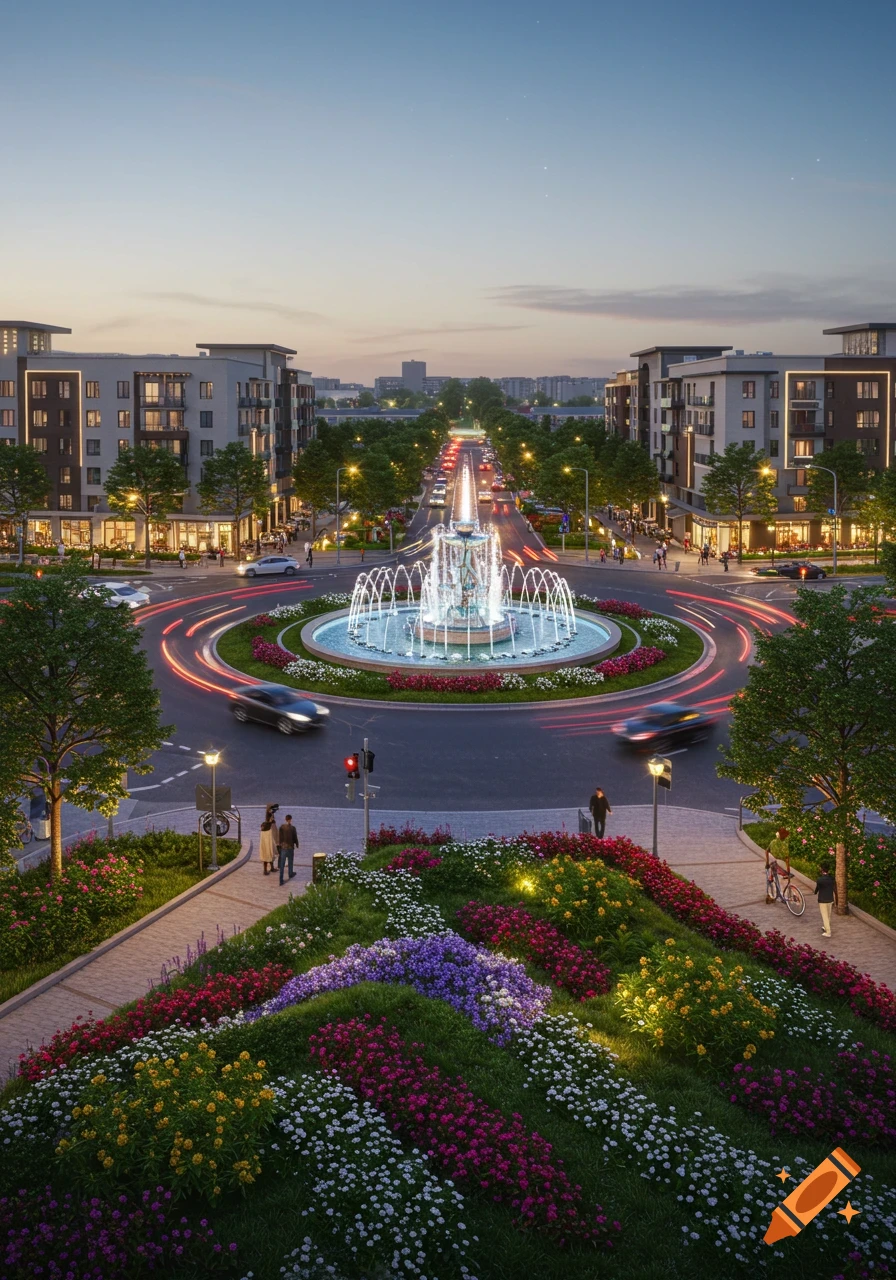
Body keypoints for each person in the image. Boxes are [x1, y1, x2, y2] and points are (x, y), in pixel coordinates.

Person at [814, 864, 837, 938]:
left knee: (825, 916)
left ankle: (828, 932)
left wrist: (815, 892)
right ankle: (825, 926)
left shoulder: (819, 880)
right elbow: (834, 889)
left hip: (822, 899)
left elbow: (817, 888)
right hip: (830, 899)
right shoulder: (832, 879)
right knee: (828, 914)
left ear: (821, 870)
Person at [277, 813, 299, 884]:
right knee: (290, 861)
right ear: (290, 820)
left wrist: (280, 845)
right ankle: (290, 873)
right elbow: (295, 837)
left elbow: (280, 837)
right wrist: (297, 844)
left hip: (283, 847)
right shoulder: (293, 828)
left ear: (285, 819)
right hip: (290, 847)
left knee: (282, 864)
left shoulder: (281, 827)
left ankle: (281, 879)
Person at [259, 806, 278, 876]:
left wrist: (273, 812)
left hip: (268, 834)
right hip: (266, 835)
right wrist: (272, 812)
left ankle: (272, 867)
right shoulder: (267, 823)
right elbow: (269, 818)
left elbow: (271, 819)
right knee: (267, 851)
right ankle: (265, 870)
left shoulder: (268, 822)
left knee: (271, 850)